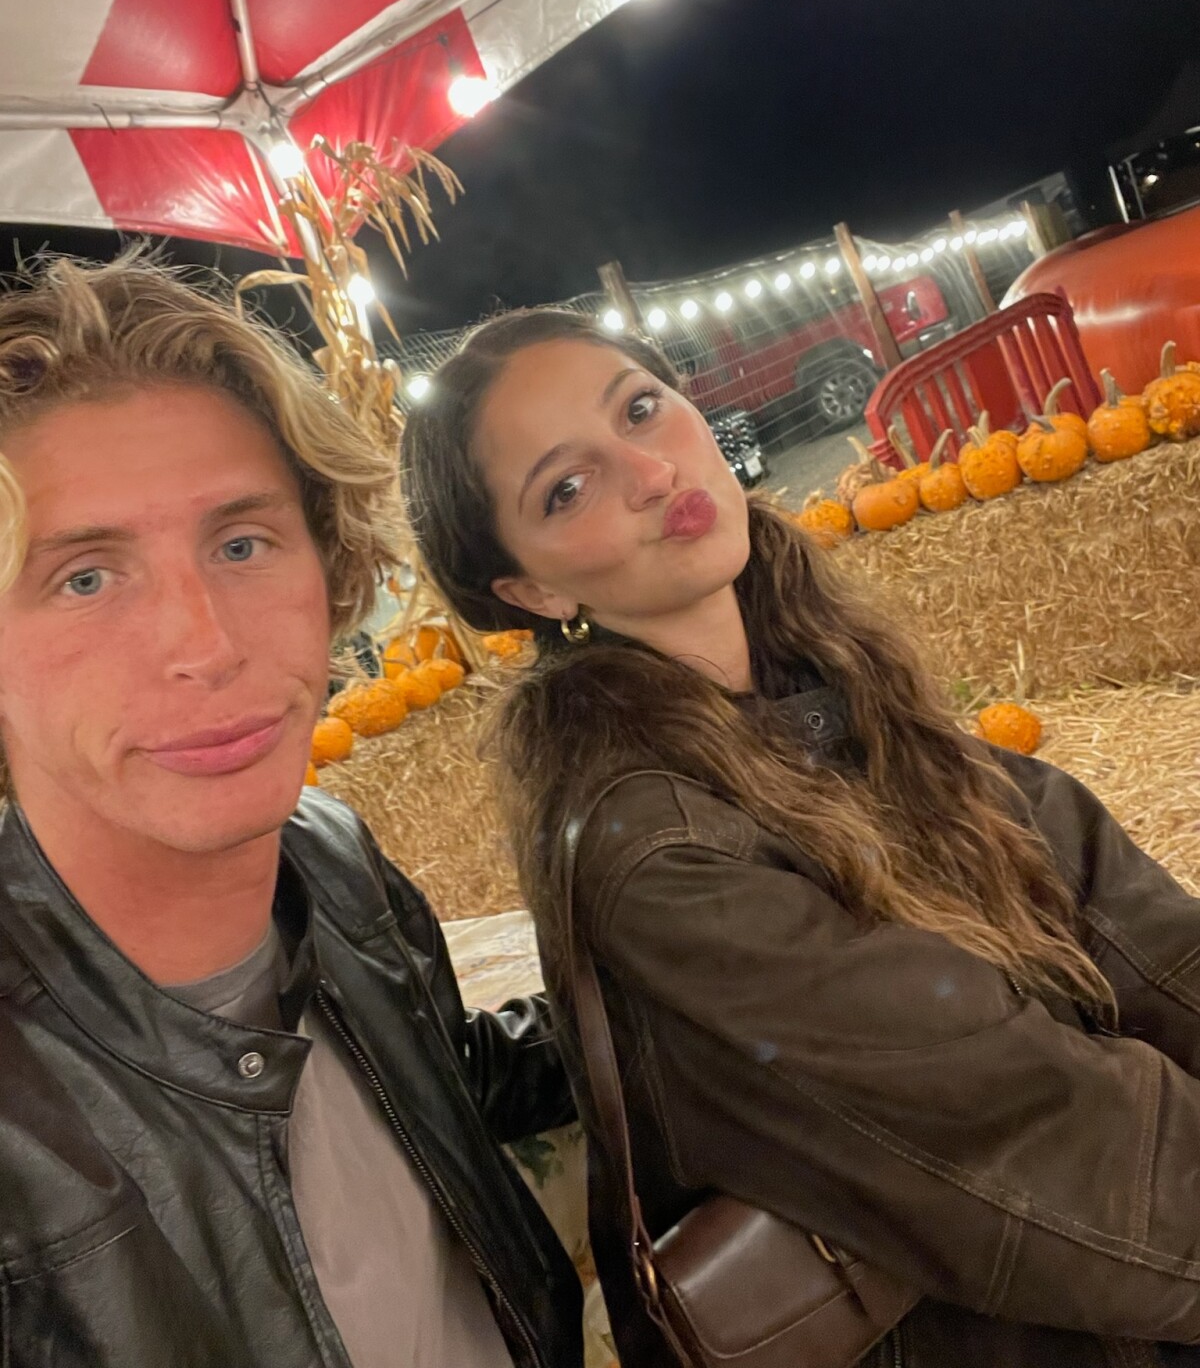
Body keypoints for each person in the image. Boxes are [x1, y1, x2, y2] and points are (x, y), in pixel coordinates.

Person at [402, 306, 1200, 1368]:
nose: (650, 471)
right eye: (568, 487)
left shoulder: (843, 689)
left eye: (640, 409)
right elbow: (1022, 1128)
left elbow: (1139, 933)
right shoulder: (656, 856)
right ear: (535, 588)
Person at [0, 260, 582, 1368]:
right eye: (85, 577)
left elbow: (449, 1083)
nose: (207, 645)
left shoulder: (333, 859)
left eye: (241, 544)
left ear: (330, 565)